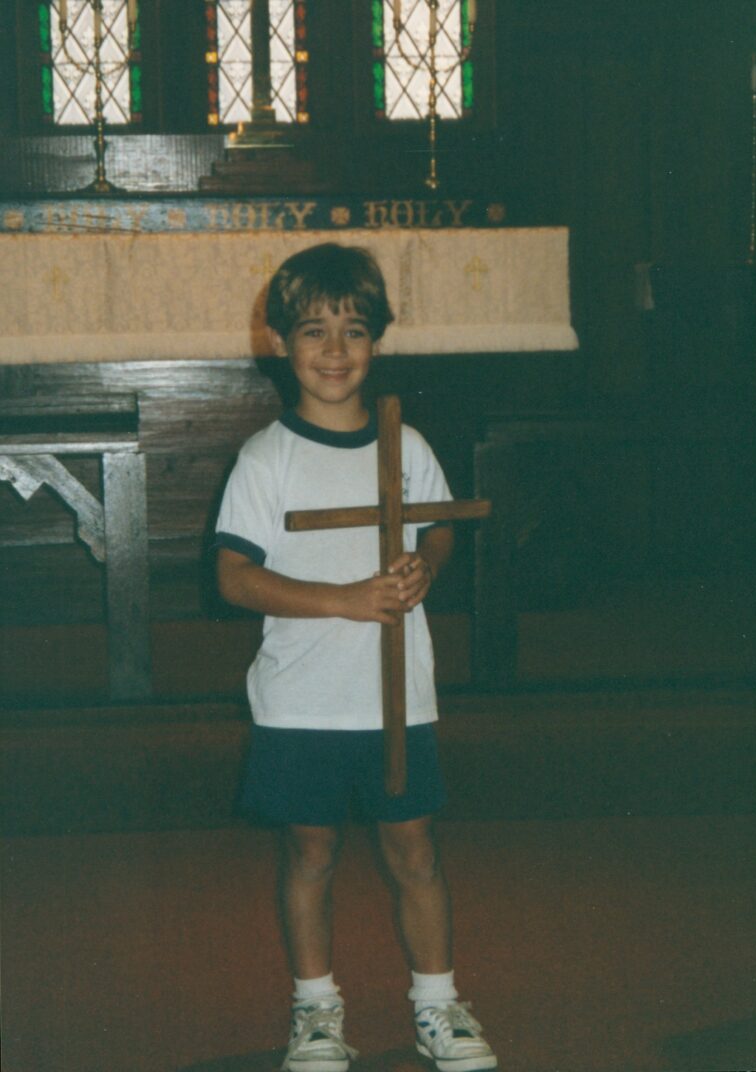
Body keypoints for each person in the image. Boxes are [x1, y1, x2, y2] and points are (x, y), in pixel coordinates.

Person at [215, 243, 496, 1072]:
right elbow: (234, 577)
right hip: (303, 699)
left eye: (354, 331)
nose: (335, 350)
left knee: (416, 851)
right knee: (311, 852)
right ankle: (315, 1011)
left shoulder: (402, 443)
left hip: (395, 696)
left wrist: (424, 567)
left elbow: (439, 526)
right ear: (279, 343)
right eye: (314, 331)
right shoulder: (267, 458)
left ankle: (438, 1005)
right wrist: (345, 599)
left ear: (377, 341)